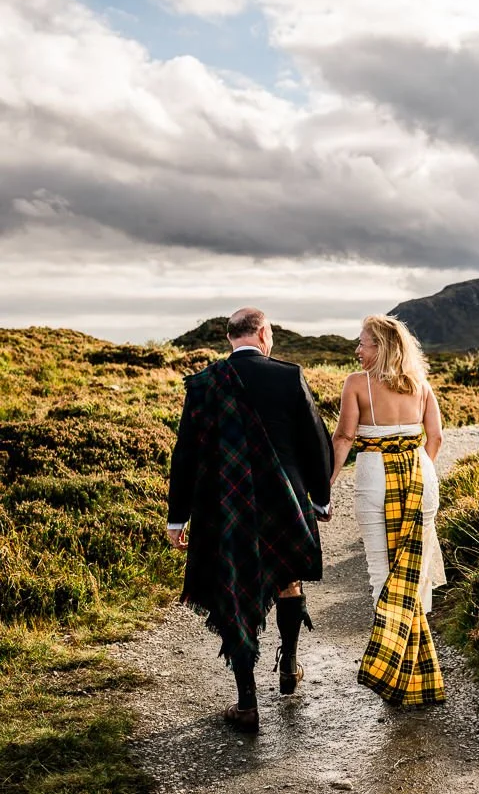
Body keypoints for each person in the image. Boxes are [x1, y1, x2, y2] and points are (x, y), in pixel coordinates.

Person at [166, 307, 333, 733]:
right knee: (287, 579)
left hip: (224, 506)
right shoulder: (288, 376)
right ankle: (289, 665)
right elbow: (315, 443)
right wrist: (321, 498)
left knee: (235, 592)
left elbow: (184, 454)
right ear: (263, 333)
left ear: (229, 338)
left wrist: (176, 517)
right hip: (284, 501)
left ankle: (246, 704)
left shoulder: (203, 384)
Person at [330, 314, 446, 705]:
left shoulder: (356, 385)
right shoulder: (422, 386)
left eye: (363, 343)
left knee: (383, 571)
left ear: (382, 347)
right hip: (419, 476)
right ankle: (416, 672)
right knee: (415, 572)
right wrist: (421, 468)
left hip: (374, 477)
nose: (357, 350)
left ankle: (393, 671)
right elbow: (437, 437)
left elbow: (345, 436)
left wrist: (325, 486)